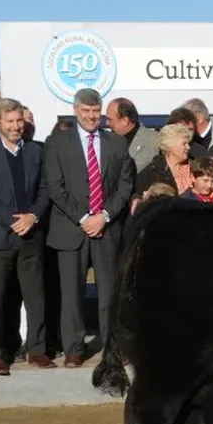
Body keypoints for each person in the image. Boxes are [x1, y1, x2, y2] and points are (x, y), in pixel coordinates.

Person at [44, 88, 135, 367]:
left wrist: (104, 216)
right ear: (75, 110)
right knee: (72, 293)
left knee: (109, 293)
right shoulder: (57, 142)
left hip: (107, 228)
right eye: (86, 111)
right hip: (71, 228)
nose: (92, 116)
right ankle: (73, 348)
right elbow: (55, 187)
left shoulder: (116, 143)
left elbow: (125, 185)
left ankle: (111, 348)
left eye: (96, 111)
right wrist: (84, 218)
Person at [0, 98, 54, 375]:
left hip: (31, 234)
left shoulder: (35, 152)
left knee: (35, 296)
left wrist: (33, 216)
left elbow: (45, 189)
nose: (16, 126)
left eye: (19, 120)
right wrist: (12, 220)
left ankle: (38, 350)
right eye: (10, 121)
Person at [105, 97, 159, 174]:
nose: (106, 123)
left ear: (125, 121)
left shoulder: (155, 141)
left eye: (110, 119)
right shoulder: (107, 141)